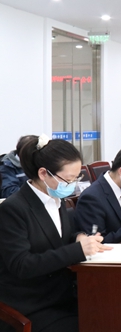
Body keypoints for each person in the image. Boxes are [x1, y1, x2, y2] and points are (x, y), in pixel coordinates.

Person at [0, 135, 109, 332]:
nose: (73, 184)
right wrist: (77, 250)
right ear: (43, 173)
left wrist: (78, 237)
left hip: (62, 295)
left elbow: (56, 239)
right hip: (32, 304)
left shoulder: (56, 199)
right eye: (68, 179)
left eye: (76, 178)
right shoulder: (13, 209)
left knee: (113, 312)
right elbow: (22, 265)